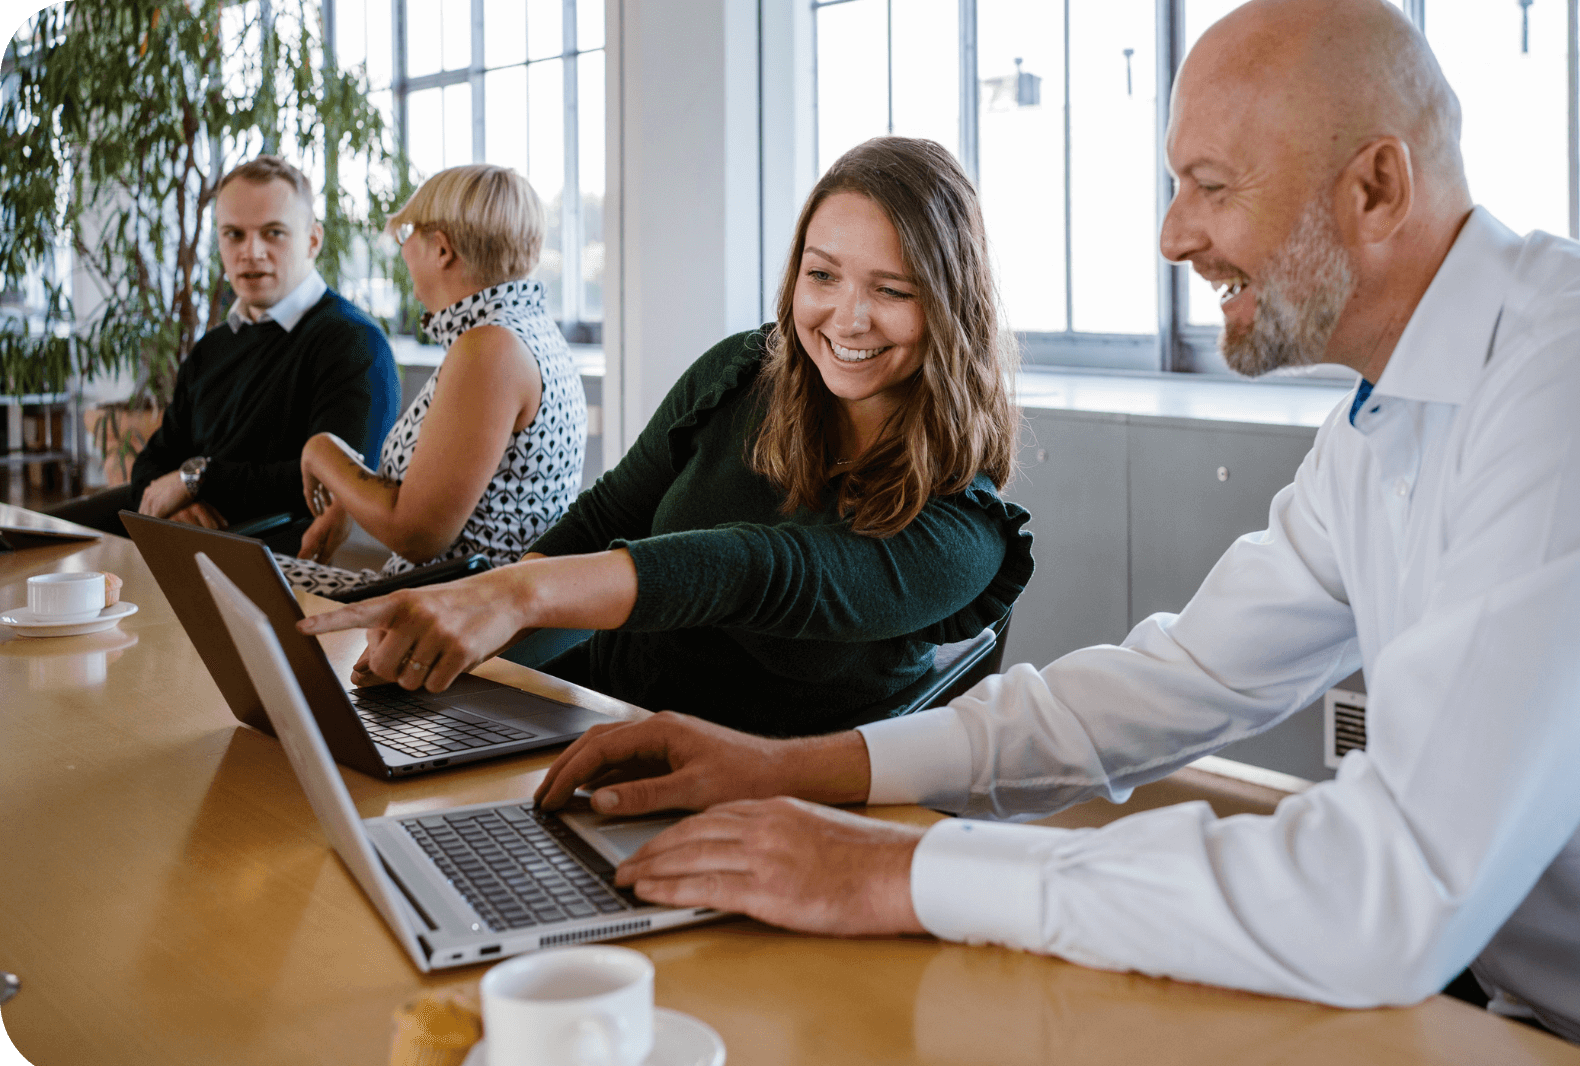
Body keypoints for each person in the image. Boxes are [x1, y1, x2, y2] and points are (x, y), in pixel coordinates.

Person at [470, 3, 1580, 1066]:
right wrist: (811, 771)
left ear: (1376, 187)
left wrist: (894, 874)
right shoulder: (1386, 420)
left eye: (1213, 186)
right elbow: (1161, 690)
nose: (1173, 234)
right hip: (1547, 1021)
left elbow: (1386, 891)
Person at [299, 137, 1033, 737]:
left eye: (892, 290)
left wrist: (514, 594)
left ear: (948, 306)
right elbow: (606, 517)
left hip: (753, 795)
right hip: (597, 717)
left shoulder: (966, 533)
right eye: (823, 276)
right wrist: (469, 631)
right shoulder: (741, 374)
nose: (847, 317)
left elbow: (757, 571)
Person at [275, 164, 587, 597]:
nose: (403, 254)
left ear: (441, 249)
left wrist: (320, 451)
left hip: (450, 611)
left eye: (407, 238)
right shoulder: (523, 330)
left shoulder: (490, 349)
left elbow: (416, 536)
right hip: (449, 598)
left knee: (229, 578)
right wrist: (349, 497)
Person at [49, 155, 399, 539]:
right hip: (179, 530)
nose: (251, 252)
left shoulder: (354, 344)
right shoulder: (212, 347)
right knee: (25, 539)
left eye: (273, 233)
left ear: (313, 240)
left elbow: (336, 483)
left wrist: (199, 480)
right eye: (234, 234)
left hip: (260, 545)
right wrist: (176, 501)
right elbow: (155, 457)